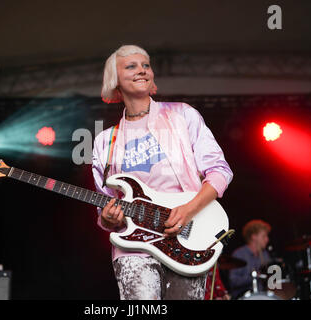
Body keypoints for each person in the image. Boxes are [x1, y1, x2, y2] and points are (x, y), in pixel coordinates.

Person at [91, 45, 233, 300]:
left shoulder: (182, 114)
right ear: (115, 80)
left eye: (145, 65)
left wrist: (188, 209)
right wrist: (109, 218)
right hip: (134, 249)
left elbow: (220, 171)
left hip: (188, 237)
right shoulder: (105, 141)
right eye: (131, 66)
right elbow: (104, 206)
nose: (142, 70)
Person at [228, 219, 272, 299]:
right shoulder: (239, 254)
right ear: (254, 236)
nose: (267, 239)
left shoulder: (265, 255)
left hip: (262, 296)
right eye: (264, 236)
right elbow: (233, 281)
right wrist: (254, 277)